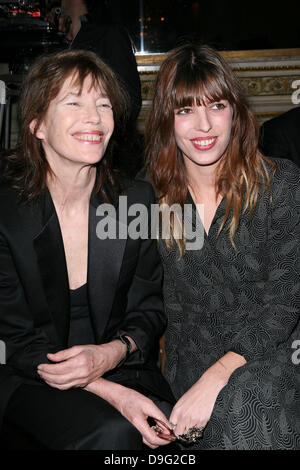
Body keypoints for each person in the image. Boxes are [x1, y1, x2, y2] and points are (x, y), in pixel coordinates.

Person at [0, 49, 175, 450]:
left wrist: (112, 355)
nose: (95, 118)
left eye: (103, 104)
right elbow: (18, 341)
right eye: (74, 102)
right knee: (113, 433)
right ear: (37, 124)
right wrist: (111, 392)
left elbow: (149, 310)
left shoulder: (136, 201)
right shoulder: (7, 214)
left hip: (125, 369)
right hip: (32, 378)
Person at [145, 43, 300, 450]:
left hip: (273, 357)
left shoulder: (281, 184)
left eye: (216, 106)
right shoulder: (151, 204)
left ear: (235, 112)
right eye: (185, 111)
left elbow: (285, 301)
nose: (204, 126)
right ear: (167, 121)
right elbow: (141, 303)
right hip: (191, 367)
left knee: (248, 403)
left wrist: (219, 375)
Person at [58, 0, 144, 179]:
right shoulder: (71, 39)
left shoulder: (109, 34)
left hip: (110, 161)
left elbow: (130, 100)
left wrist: (100, 131)